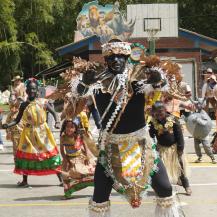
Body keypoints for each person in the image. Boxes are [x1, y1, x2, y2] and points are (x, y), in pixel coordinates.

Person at [60, 39, 183, 216]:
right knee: (99, 198)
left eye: (120, 57)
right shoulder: (96, 80)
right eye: (111, 57)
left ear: (127, 58)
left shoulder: (138, 77)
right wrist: (84, 84)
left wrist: (158, 80)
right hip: (110, 148)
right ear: (105, 59)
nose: (116, 60)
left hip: (141, 146)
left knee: (165, 189)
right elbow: (75, 96)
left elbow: (164, 87)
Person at [2, 78, 62, 187]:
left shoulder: (43, 102)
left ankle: (61, 179)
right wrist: (7, 125)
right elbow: (17, 120)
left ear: (37, 89)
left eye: (34, 89)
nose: (32, 91)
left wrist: (57, 122)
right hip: (28, 133)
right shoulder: (24, 105)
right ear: (26, 90)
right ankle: (25, 180)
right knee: (25, 156)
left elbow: (54, 113)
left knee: (50, 154)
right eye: (29, 89)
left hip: (43, 133)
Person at [149, 101, 192, 196]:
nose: (159, 114)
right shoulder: (153, 122)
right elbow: (151, 134)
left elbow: (179, 135)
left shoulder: (173, 120)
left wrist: (180, 149)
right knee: (161, 170)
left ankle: (186, 186)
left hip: (174, 149)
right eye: (156, 112)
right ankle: (163, 188)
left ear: (165, 110)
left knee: (180, 168)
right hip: (162, 149)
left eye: (161, 112)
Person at [60, 119, 95, 199]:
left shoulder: (79, 136)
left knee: (86, 173)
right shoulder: (63, 137)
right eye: (67, 127)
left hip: (80, 158)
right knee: (65, 175)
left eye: (72, 127)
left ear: (75, 128)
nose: (69, 129)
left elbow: (85, 146)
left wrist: (87, 157)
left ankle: (100, 189)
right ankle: (67, 193)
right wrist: (65, 160)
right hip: (69, 159)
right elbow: (62, 150)